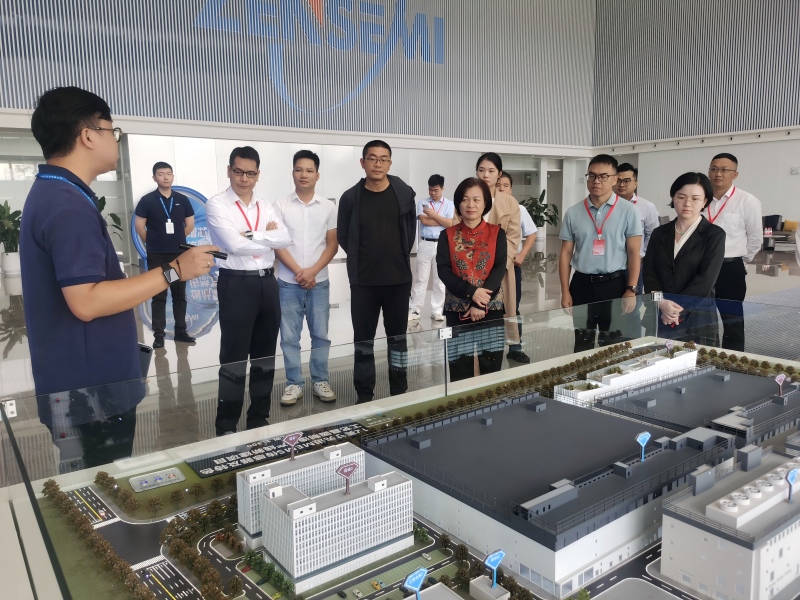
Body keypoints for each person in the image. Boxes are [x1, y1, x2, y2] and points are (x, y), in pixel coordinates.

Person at [20, 86, 216, 464]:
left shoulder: (56, 193)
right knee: (100, 486)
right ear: (88, 135)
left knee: (88, 483)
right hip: (90, 396)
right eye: (113, 131)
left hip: (79, 386)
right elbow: (87, 301)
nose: (116, 139)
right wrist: (176, 270)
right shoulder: (67, 206)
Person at [207, 146, 291, 435]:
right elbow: (233, 245)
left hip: (267, 283)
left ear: (258, 175)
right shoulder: (218, 204)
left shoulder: (266, 206)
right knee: (234, 358)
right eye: (239, 172)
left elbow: (285, 238)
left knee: (265, 357)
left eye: (250, 173)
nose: (244, 178)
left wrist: (253, 235)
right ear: (229, 171)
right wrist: (268, 237)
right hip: (236, 283)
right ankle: (226, 424)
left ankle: (258, 418)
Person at [338, 140, 416, 402]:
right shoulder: (350, 198)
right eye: (372, 158)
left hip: (398, 280)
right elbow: (344, 236)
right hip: (363, 282)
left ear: (390, 163)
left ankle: (399, 392)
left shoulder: (403, 195)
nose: (377, 164)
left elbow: (410, 233)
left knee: (398, 340)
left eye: (383, 159)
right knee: (363, 341)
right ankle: (364, 395)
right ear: (363, 162)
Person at [274, 150, 338, 407]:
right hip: (288, 283)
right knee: (289, 337)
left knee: (320, 334)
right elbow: (278, 244)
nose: (304, 175)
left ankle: (320, 380)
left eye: (309, 170)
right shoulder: (280, 205)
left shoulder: (328, 206)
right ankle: (294, 383)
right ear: (293, 173)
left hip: (318, 282)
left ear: (317, 175)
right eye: (299, 170)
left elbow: (332, 244)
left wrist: (312, 271)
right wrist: (300, 272)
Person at [559, 154, 642, 352]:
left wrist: (631, 290)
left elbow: (633, 252)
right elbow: (565, 253)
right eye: (592, 175)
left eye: (603, 176)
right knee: (582, 342)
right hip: (582, 285)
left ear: (614, 179)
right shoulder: (573, 212)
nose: (596, 181)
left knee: (612, 343)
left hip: (615, 285)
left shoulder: (628, 211)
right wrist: (565, 291)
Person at [436, 178, 507, 381]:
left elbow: (499, 269)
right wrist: (471, 293)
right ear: (458, 203)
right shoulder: (447, 235)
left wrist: (480, 302)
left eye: (476, 199)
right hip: (457, 311)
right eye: (465, 199)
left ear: (485, 203)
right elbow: (443, 271)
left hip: (491, 309)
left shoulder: (497, 233)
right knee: (460, 370)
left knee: (491, 368)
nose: (470, 205)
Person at [643, 173, 726, 345]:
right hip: (660, 312)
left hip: (696, 317)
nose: (687, 203)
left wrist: (674, 310)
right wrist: (661, 302)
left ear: (705, 201)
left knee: (698, 361)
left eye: (695, 199)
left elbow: (705, 280)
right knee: (658, 359)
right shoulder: (659, 233)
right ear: (673, 198)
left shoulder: (714, 235)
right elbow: (649, 272)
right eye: (681, 197)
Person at [134, 162, 196, 348]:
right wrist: (154, 241)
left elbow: (190, 224)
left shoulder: (182, 199)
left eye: (169, 173)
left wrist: (176, 240)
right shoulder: (147, 200)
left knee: (179, 294)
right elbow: (139, 226)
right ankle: (159, 335)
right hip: (158, 255)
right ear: (154, 178)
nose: (166, 177)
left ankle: (180, 331)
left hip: (178, 255)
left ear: (173, 176)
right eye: (161, 174)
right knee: (159, 295)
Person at [705, 153, 762, 351]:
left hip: (729, 269)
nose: (718, 174)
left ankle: (732, 361)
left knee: (732, 322)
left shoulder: (747, 201)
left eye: (724, 170)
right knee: (699, 318)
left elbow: (755, 238)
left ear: (735, 174)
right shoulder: (700, 198)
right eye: (713, 169)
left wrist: (740, 262)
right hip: (699, 268)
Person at [466, 153, 521, 348]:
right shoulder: (467, 198)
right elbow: (457, 234)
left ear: (499, 174)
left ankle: (509, 351)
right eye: (481, 170)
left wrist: (496, 265)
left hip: (500, 270)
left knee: (498, 322)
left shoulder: (509, 202)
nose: (485, 175)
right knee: (469, 326)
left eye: (491, 171)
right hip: (469, 271)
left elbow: (513, 238)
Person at [496, 173, 536, 363]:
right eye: (498, 185)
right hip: (489, 268)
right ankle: (494, 347)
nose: (502, 188)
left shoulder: (519, 208)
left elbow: (532, 233)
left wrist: (522, 254)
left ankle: (515, 347)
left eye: (506, 185)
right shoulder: (487, 207)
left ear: (511, 189)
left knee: (513, 306)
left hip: (511, 267)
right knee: (493, 309)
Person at [409, 174, 454, 322]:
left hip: (442, 244)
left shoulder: (449, 204)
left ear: (442, 189)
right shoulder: (422, 202)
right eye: (430, 190)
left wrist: (434, 215)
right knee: (421, 278)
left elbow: (451, 224)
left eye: (436, 190)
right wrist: (441, 220)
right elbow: (425, 221)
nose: (432, 193)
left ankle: (437, 310)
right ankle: (415, 309)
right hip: (425, 243)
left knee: (440, 280)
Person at [613, 163, 660, 289]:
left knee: (633, 297)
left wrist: (641, 254)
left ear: (636, 183)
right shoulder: (606, 206)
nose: (621, 184)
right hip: (611, 264)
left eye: (626, 181)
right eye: (618, 180)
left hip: (635, 262)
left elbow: (653, 234)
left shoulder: (646, 207)